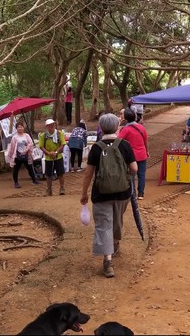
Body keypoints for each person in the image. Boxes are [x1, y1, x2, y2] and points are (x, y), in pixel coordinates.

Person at [80, 113, 137, 278]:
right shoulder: (124, 145)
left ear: (101, 128)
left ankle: (108, 261)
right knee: (117, 220)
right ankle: (115, 243)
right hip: (122, 193)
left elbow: (88, 174)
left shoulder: (96, 148)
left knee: (104, 225)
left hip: (101, 193)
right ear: (118, 127)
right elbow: (134, 168)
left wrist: (84, 193)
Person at [118, 108, 149, 200]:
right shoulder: (141, 127)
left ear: (126, 119)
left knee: (131, 175)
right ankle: (141, 193)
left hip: (131, 156)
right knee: (142, 174)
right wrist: (147, 151)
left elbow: (118, 141)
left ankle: (132, 193)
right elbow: (146, 141)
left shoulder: (126, 129)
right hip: (142, 154)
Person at [7, 122, 40, 189]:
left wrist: (26, 150)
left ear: (23, 127)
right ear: (16, 128)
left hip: (26, 154)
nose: (20, 128)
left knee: (30, 167)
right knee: (16, 169)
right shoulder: (14, 137)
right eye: (18, 127)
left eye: (21, 126)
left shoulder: (26, 135)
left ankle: (34, 180)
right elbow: (12, 147)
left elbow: (30, 143)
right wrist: (10, 155)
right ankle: (16, 183)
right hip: (17, 155)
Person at [40, 118, 67, 196]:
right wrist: (48, 153)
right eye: (49, 125)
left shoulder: (59, 133)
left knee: (60, 173)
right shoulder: (43, 136)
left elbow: (63, 144)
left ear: (54, 125)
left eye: (52, 125)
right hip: (48, 157)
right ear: (46, 126)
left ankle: (62, 188)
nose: (51, 126)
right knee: (48, 174)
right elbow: (41, 146)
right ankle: (49, 189)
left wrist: (56, 152)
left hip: (58, 156)